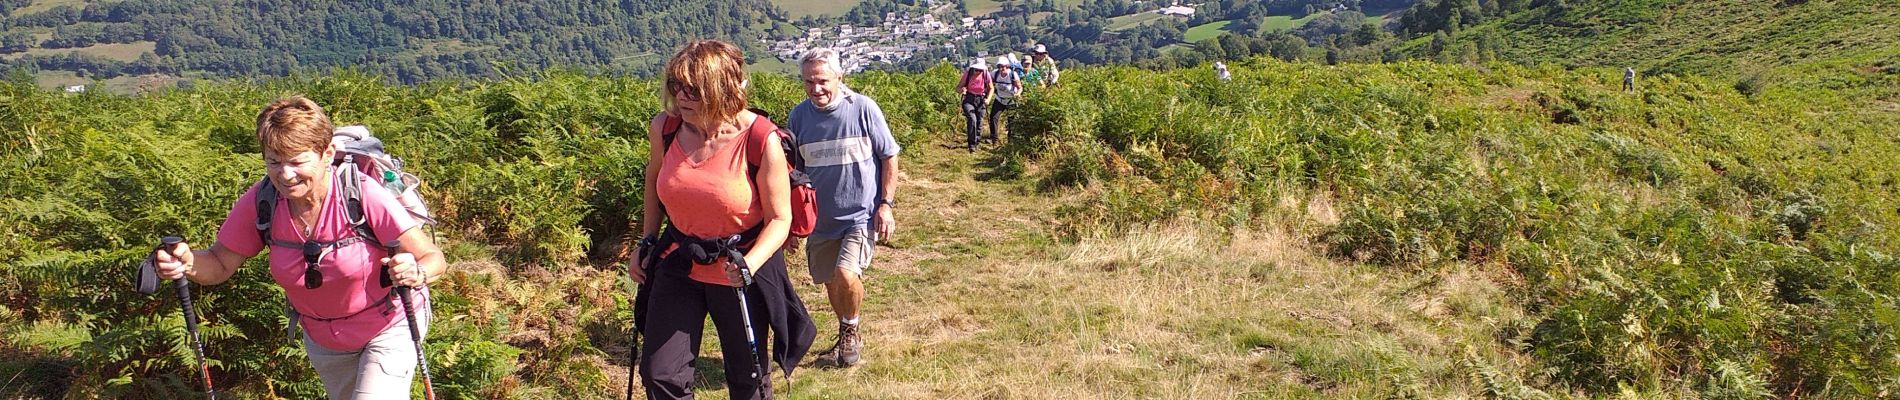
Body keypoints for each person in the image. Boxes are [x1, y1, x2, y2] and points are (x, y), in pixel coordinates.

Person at [151, 96, 446, 399]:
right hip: (325, 341)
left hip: (389, 325)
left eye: (297, 161)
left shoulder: (361, 194)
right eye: (274, 162)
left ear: (327, 153)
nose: (285, 174)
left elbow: (432, 257)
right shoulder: (262, 201)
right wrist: (186, 262)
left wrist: (416, 271)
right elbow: (219, 264)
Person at [630, 39, 815, 400]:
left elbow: (780, 218)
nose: (682, 96)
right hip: (679, 260)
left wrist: (749, 264)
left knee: (748, 379)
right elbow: (653, 183)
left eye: (694, 89)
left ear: (722, 88)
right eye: (675, 85)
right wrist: (646, 240)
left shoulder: (760, 139)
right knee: (659, 373)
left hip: (739, 266)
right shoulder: (665, 130)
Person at [786, 48, 902, 368]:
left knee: (845, 273)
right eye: (808, 82)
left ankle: (850, 330)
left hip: (859, 215)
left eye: (822, 80)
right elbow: (792, 172)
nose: (816, 88)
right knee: (830, 281)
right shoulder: (798, 117)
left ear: (839, 77)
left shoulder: (863, 109)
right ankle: (847, 329)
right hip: (819, 220)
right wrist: (793, 224)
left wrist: (885, 205)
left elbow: (889, 155)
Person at [955, 57, 992, 152]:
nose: (978, 71)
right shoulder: (968, 74)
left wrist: (988, 99)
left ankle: (977, 141)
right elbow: (958, 88)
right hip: (969, 99)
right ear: (973, 68)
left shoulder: (985, 74)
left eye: (980, 70)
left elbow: (991, 88)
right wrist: (962, 90)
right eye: (977, 69)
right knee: (972, 119)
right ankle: (971, 144)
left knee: (980, 121)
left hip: (981, 99)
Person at [987, 54, 1023, 144]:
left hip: (1011, 100)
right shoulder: (995, 74)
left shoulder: (1013, 75)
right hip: (1000, 99)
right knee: (993, 117)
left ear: (1007, 66)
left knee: (1011, 121)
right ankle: (994, 139)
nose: (1002, 68)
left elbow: (1020, 87)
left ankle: (1011, 141)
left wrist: (1018, 94)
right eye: (999, 66)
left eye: (1004, 66)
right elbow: (989, 83)